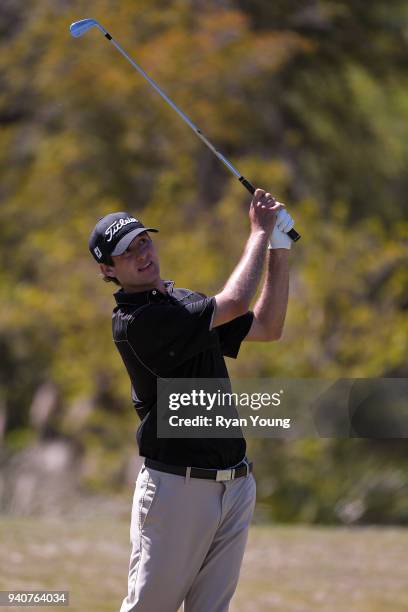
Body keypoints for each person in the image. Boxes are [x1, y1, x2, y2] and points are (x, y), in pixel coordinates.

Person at [88, 188, 294, 612]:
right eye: (127, 252)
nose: (142, 253)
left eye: (143, 240)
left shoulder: (184, 303)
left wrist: (279, 246)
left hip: (234, 484)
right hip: (177, 491)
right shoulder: (137, 322)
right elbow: (235, 300)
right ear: (108, 270)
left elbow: (269, 326)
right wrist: (258, 231)